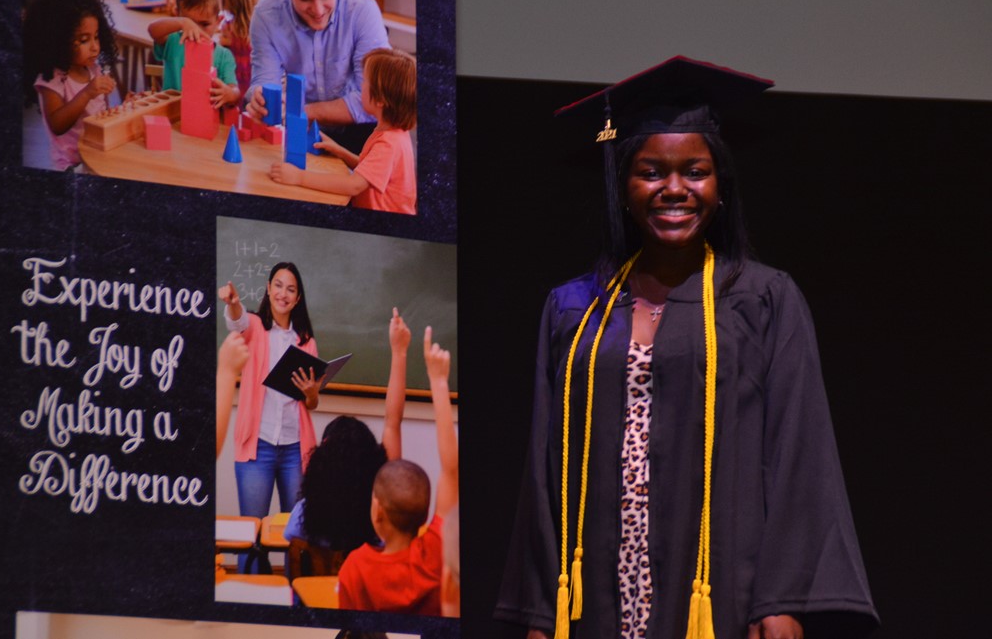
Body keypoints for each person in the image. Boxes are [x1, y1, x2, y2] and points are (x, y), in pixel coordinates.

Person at [494, 57, 880, 639]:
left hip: (720, 587)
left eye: (694, 171)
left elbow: (800, 451)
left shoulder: (763, 299)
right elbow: (544, 472)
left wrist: (780, 600)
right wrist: (540, 611)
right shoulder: (576, 309)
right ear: (624, 186)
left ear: (719, 184)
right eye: (651, 171)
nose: (674, 189)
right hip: (594, 595)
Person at [338, 326, 458, 616]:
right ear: (425, 512)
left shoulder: (355, 568)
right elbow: (451, 470)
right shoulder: (435, 554)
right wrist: (439, 383)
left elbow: (392, 423)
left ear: (377, 510)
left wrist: (400, 352)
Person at [283, 308, 411, 553]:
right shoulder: (381, 515)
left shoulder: (306, 512)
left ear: (322, 463)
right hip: (363, 593)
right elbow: (392, 422)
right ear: (373, 461)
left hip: (310, 593)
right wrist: (399, 352)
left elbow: (291, 538)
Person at [219, 262, 319, 571]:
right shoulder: (253, 326)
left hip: (294, 448)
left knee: (295, 533)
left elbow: (312, 403)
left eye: (290, 289)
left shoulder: (306, 341)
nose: (283, 293)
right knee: (252, 532)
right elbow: (236, 323)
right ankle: (251, 598)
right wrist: (234, 304)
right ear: (268, 288)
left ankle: (295, 596)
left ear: (298, 298)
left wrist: (311, 392)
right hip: (257, 446)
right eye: (278, 285)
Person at [244, 0, 390, 152]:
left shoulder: (362, 10)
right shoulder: (266, 16)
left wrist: (304, 111)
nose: (318, 10)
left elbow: (375, 99)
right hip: (300, 129)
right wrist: (260, 100)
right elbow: (263, 82)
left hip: (361, 131)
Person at [269, 48, 417, 215]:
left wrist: (298, 177)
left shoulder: (388, 143)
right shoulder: (393, 132)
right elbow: (371, 172)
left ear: (381, 99)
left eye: (366, 82)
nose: (361, 86)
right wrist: (341, 151)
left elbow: (354, 185)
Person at [22, 0, 118, 171]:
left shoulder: (93, 68)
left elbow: (103, 110)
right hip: (73, 163)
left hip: (97, 151)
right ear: (58, 40)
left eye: (96, 37)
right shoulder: (51, 80)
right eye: (83, 40)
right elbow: (57, 124)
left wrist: (123, 109)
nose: (94, 47)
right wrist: (87, 92)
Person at [148, 0, 240, 108]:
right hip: (172, 117)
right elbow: (152, 30)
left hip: (205, 119)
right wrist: (182, 23)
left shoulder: (224, 56)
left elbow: (235, 91)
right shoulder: (174, 41)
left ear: (218, 21)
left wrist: (229, 93)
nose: (196, 31)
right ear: (178, 16)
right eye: (190, 23)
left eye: (204, 24)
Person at [219, 0, 258, 100]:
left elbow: (220, 47)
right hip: (254, 77)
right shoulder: (258, 23)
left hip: (234, 78)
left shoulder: (228, 27)